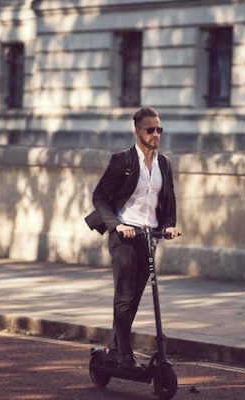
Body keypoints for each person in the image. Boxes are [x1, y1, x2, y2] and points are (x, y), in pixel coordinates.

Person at [85, 106, 179, 371]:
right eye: (150, 129)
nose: (156, 134)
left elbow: (169, 198)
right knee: (124, 297)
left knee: (135, 296)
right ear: (137, 130)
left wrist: (170, 225)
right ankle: (124, 355)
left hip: (149, 237)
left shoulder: (163, 163)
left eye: (159, 129)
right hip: (125, 237)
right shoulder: (123, 161)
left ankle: (116, 348)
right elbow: (100, 197)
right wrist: (117, 226)